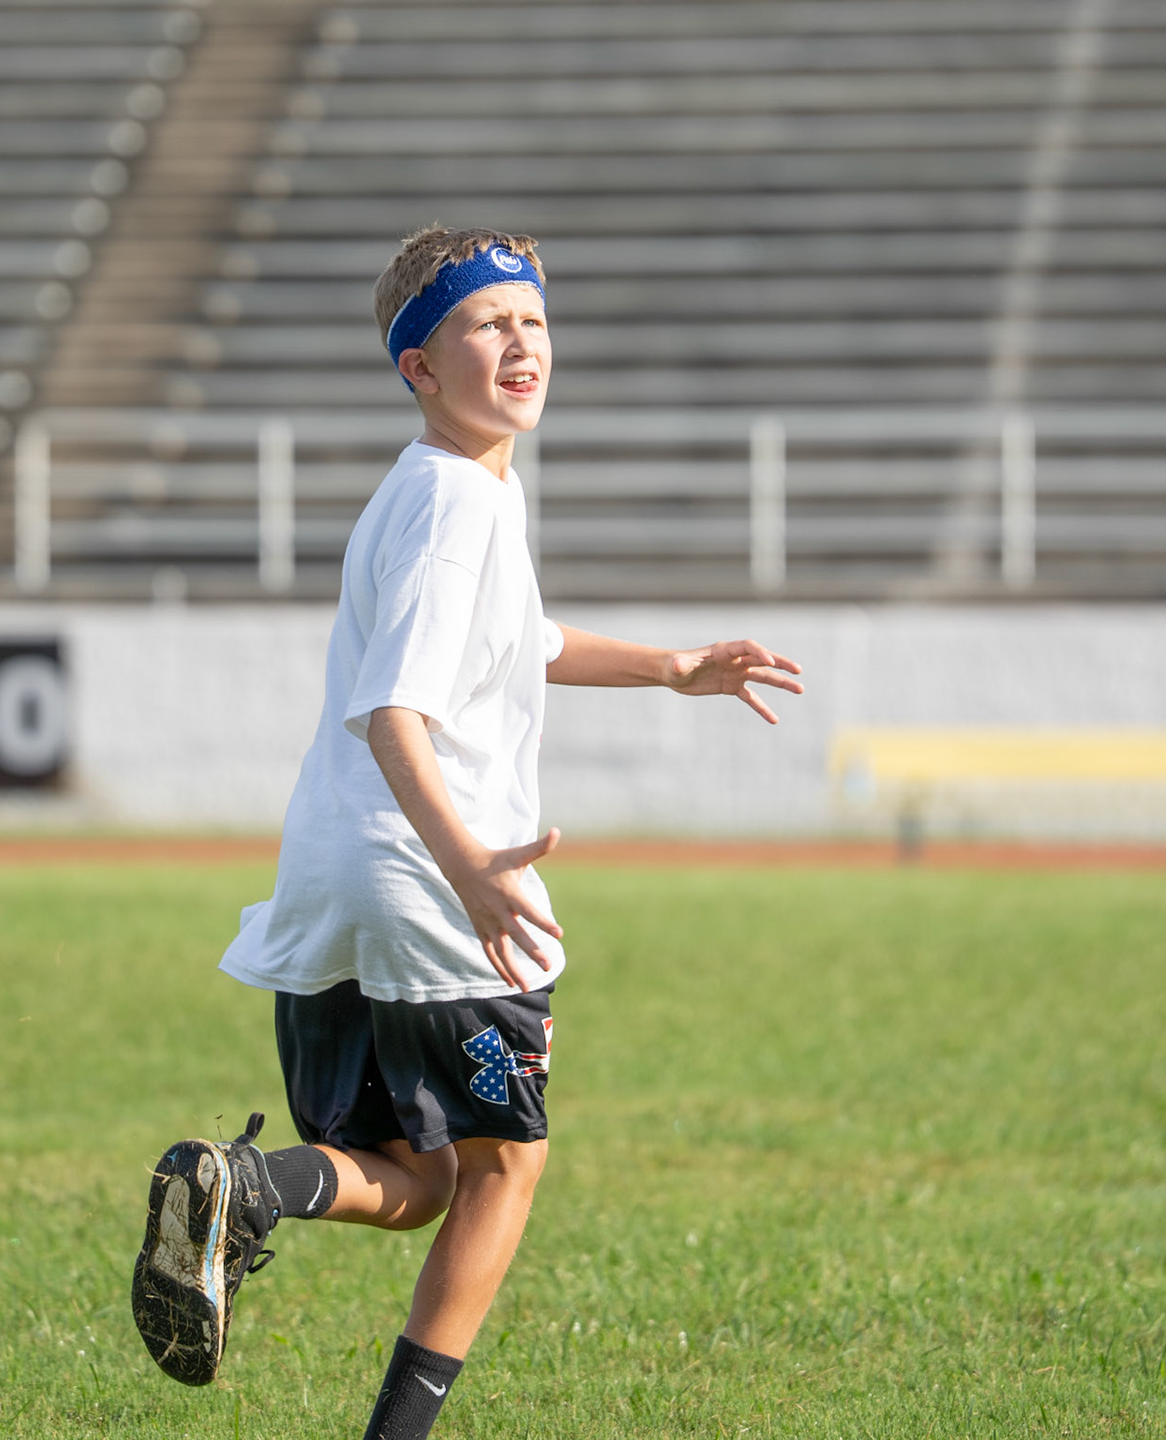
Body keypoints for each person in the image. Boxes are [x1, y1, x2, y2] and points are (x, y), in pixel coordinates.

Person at [130, 225, 803, 1439]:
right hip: (428, 872)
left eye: (534, 319)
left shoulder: (443, 486)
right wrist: (472, 870)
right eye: (489, 323)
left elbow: (520, 640)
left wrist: (672, 666)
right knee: (505, 1169)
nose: (522, 341)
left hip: (336, 873)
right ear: (420, 367)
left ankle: (251, 1185)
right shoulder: (459, 509)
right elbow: (396, 712)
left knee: (424, 1177)